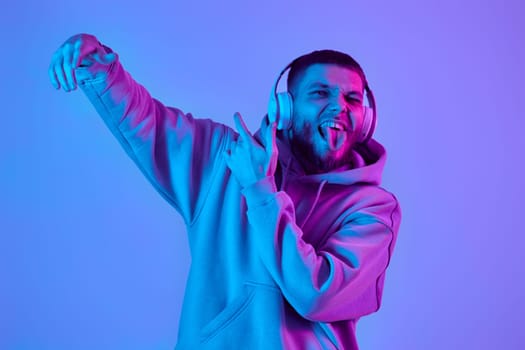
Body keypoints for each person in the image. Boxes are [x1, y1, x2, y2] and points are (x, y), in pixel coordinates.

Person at [49, 33, 402, 349]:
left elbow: (318, 295)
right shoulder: (226, 159)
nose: (339, 106)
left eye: (352, 99)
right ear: (286, 108)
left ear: (367, 118)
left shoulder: (373, 210)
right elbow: (150, 123)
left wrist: (262, 193)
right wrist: (98, 65)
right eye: (320, 93)